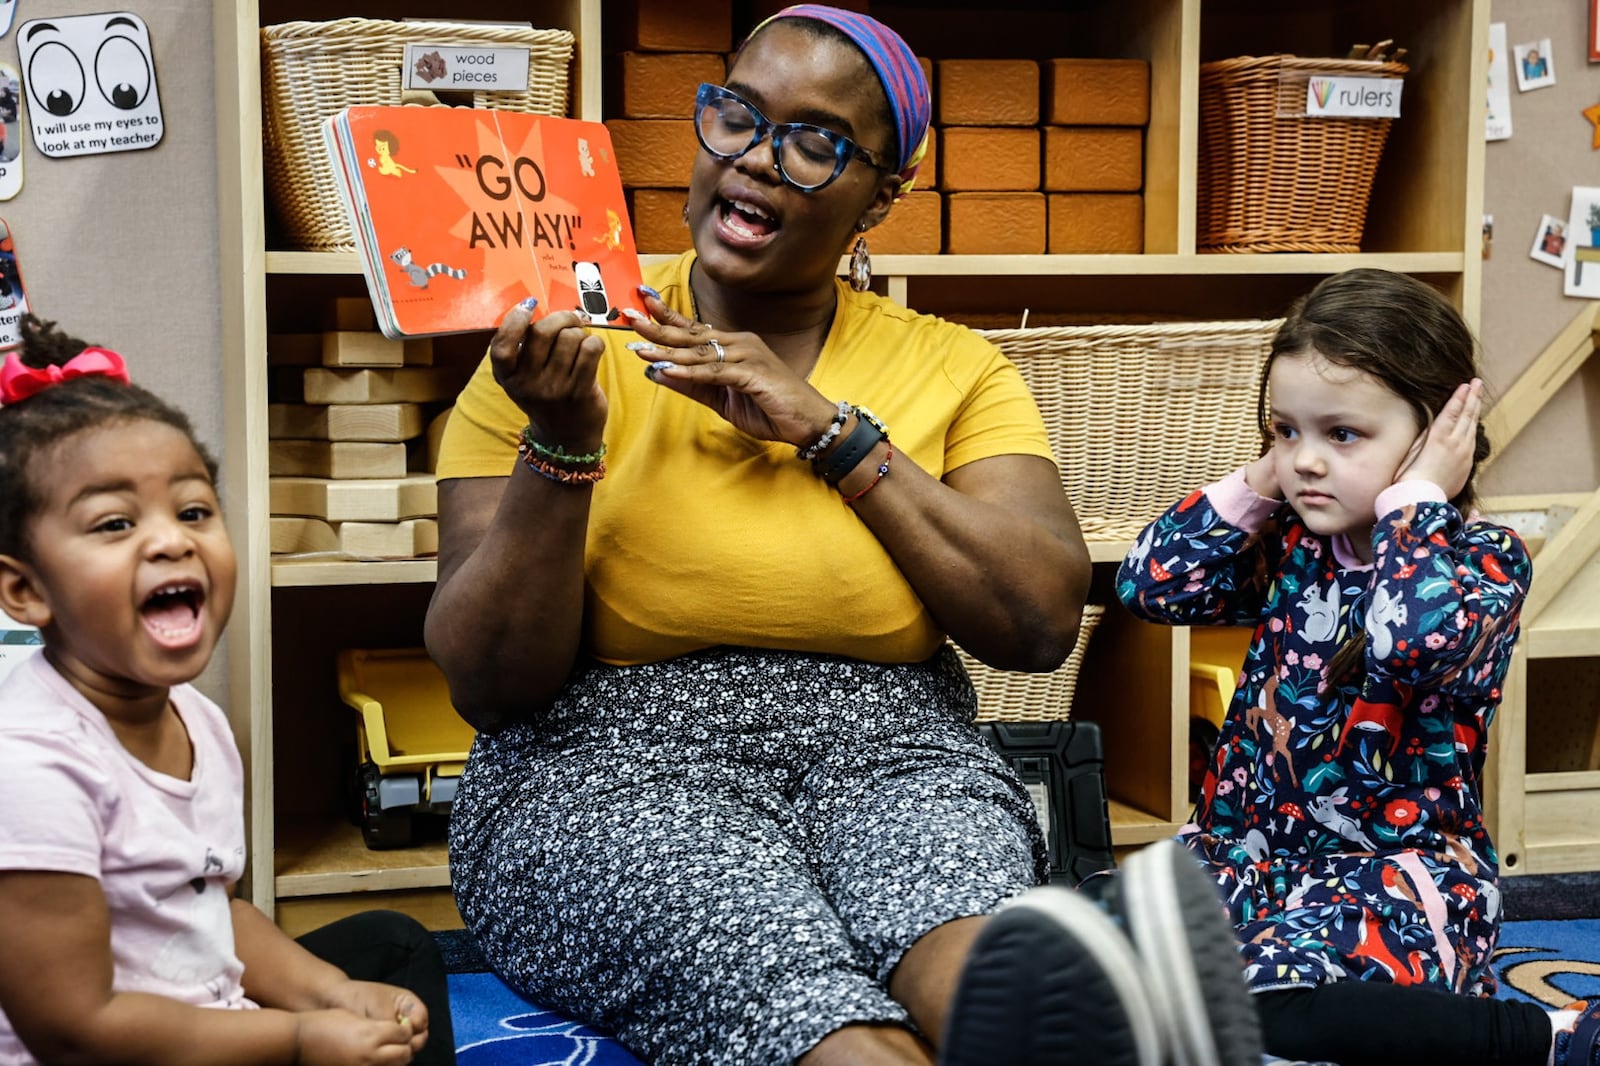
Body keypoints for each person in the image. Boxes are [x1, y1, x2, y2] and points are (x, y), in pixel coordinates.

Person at [426, 6, 1264, 1064]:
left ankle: (1113, 1027)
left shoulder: (955, 368)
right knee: (797, 996)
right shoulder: (557, 350)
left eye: (817, 143)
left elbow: (1039, 617)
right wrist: (563, 444)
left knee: (981, 960)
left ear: (881, 194)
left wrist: (826, 431)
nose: (759, 160)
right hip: (610, 764)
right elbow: (489, 683)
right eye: (738, 116)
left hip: (894, 754)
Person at [1115, 270, 1600, 1065]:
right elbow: (1150, 584)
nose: (1308, 460)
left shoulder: (1482, 564)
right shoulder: (1291, 546)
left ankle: (1545, 1037)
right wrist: (1270, 470)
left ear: (1438, 431)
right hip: (1244, 863)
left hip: (1388, 879)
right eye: (1285, 429)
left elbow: (1406, 640)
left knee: (1277, 1011)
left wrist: (1416, 500)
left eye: (1343, 435)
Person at [0, 314, 456, 1065]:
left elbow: (210, 908)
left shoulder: (198, 721)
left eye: (193, 510)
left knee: (394, 949)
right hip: (113, 1050)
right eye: (114, 524)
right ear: (25, 591)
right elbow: (75, 1028)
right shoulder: (31, 765)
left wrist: (330, 995)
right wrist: (299, 1036)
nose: (173, 539)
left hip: (211, 1016)